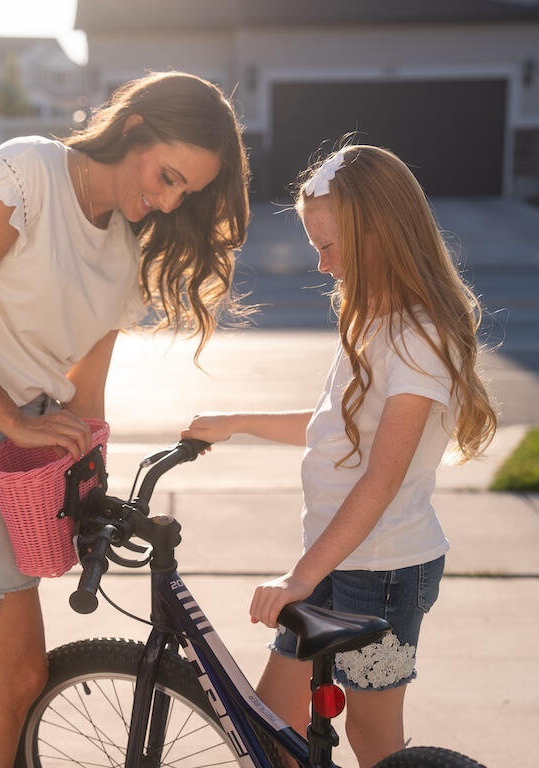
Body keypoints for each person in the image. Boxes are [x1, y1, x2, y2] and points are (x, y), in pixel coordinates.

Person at [0, 71, 249, 768]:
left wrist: (89, 488)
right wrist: (15, 421)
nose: (169, 199)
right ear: (136, 129)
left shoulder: (124, 248)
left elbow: (86, 390)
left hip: (21, 456)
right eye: (169, 176)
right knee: (21, 674)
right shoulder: (26, 174)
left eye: (187, 192)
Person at [182, 145, 496, 768]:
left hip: (381, 569)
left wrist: (300, 576)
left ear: (378, 235)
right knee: (275, 732)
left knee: (374, 743)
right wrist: (238, 423)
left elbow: (382, 477)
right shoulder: (373, 319)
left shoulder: (419, 336)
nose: (321, 266)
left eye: (328, 247)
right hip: (333, 555)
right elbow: (335, 429)